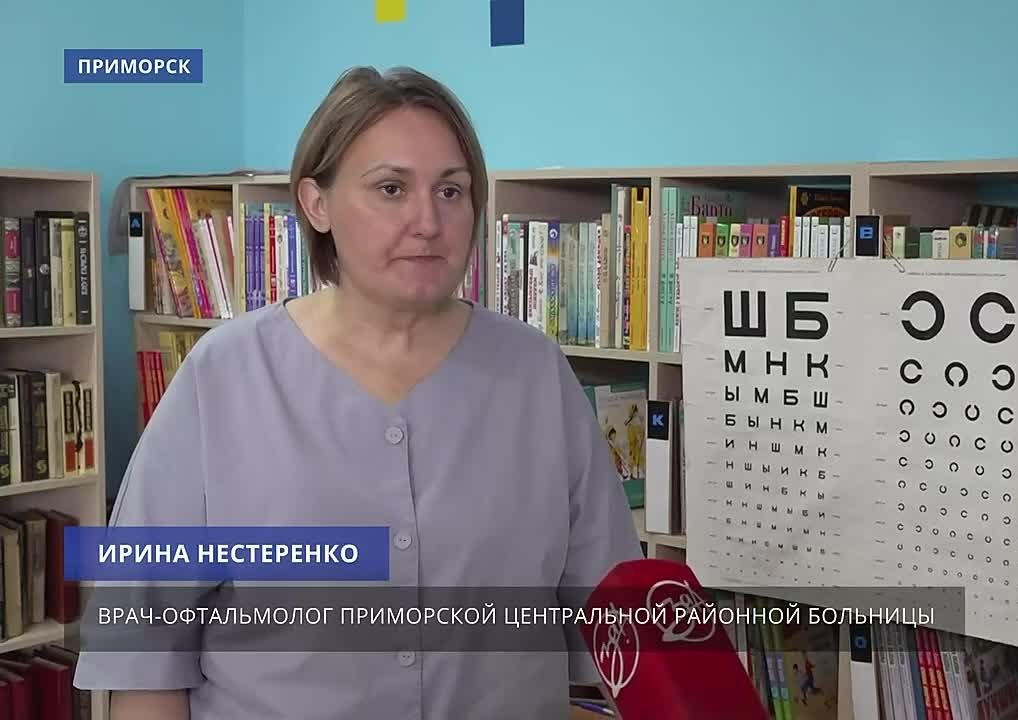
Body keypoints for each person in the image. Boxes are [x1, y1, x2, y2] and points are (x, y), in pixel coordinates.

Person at [72, 65, 644, 719]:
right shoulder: (223, 377)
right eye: (391, 188)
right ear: (316, 203)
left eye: (451, 191)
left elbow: (620, 626)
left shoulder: (536, 375)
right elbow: (145, 653)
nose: (427, 221)